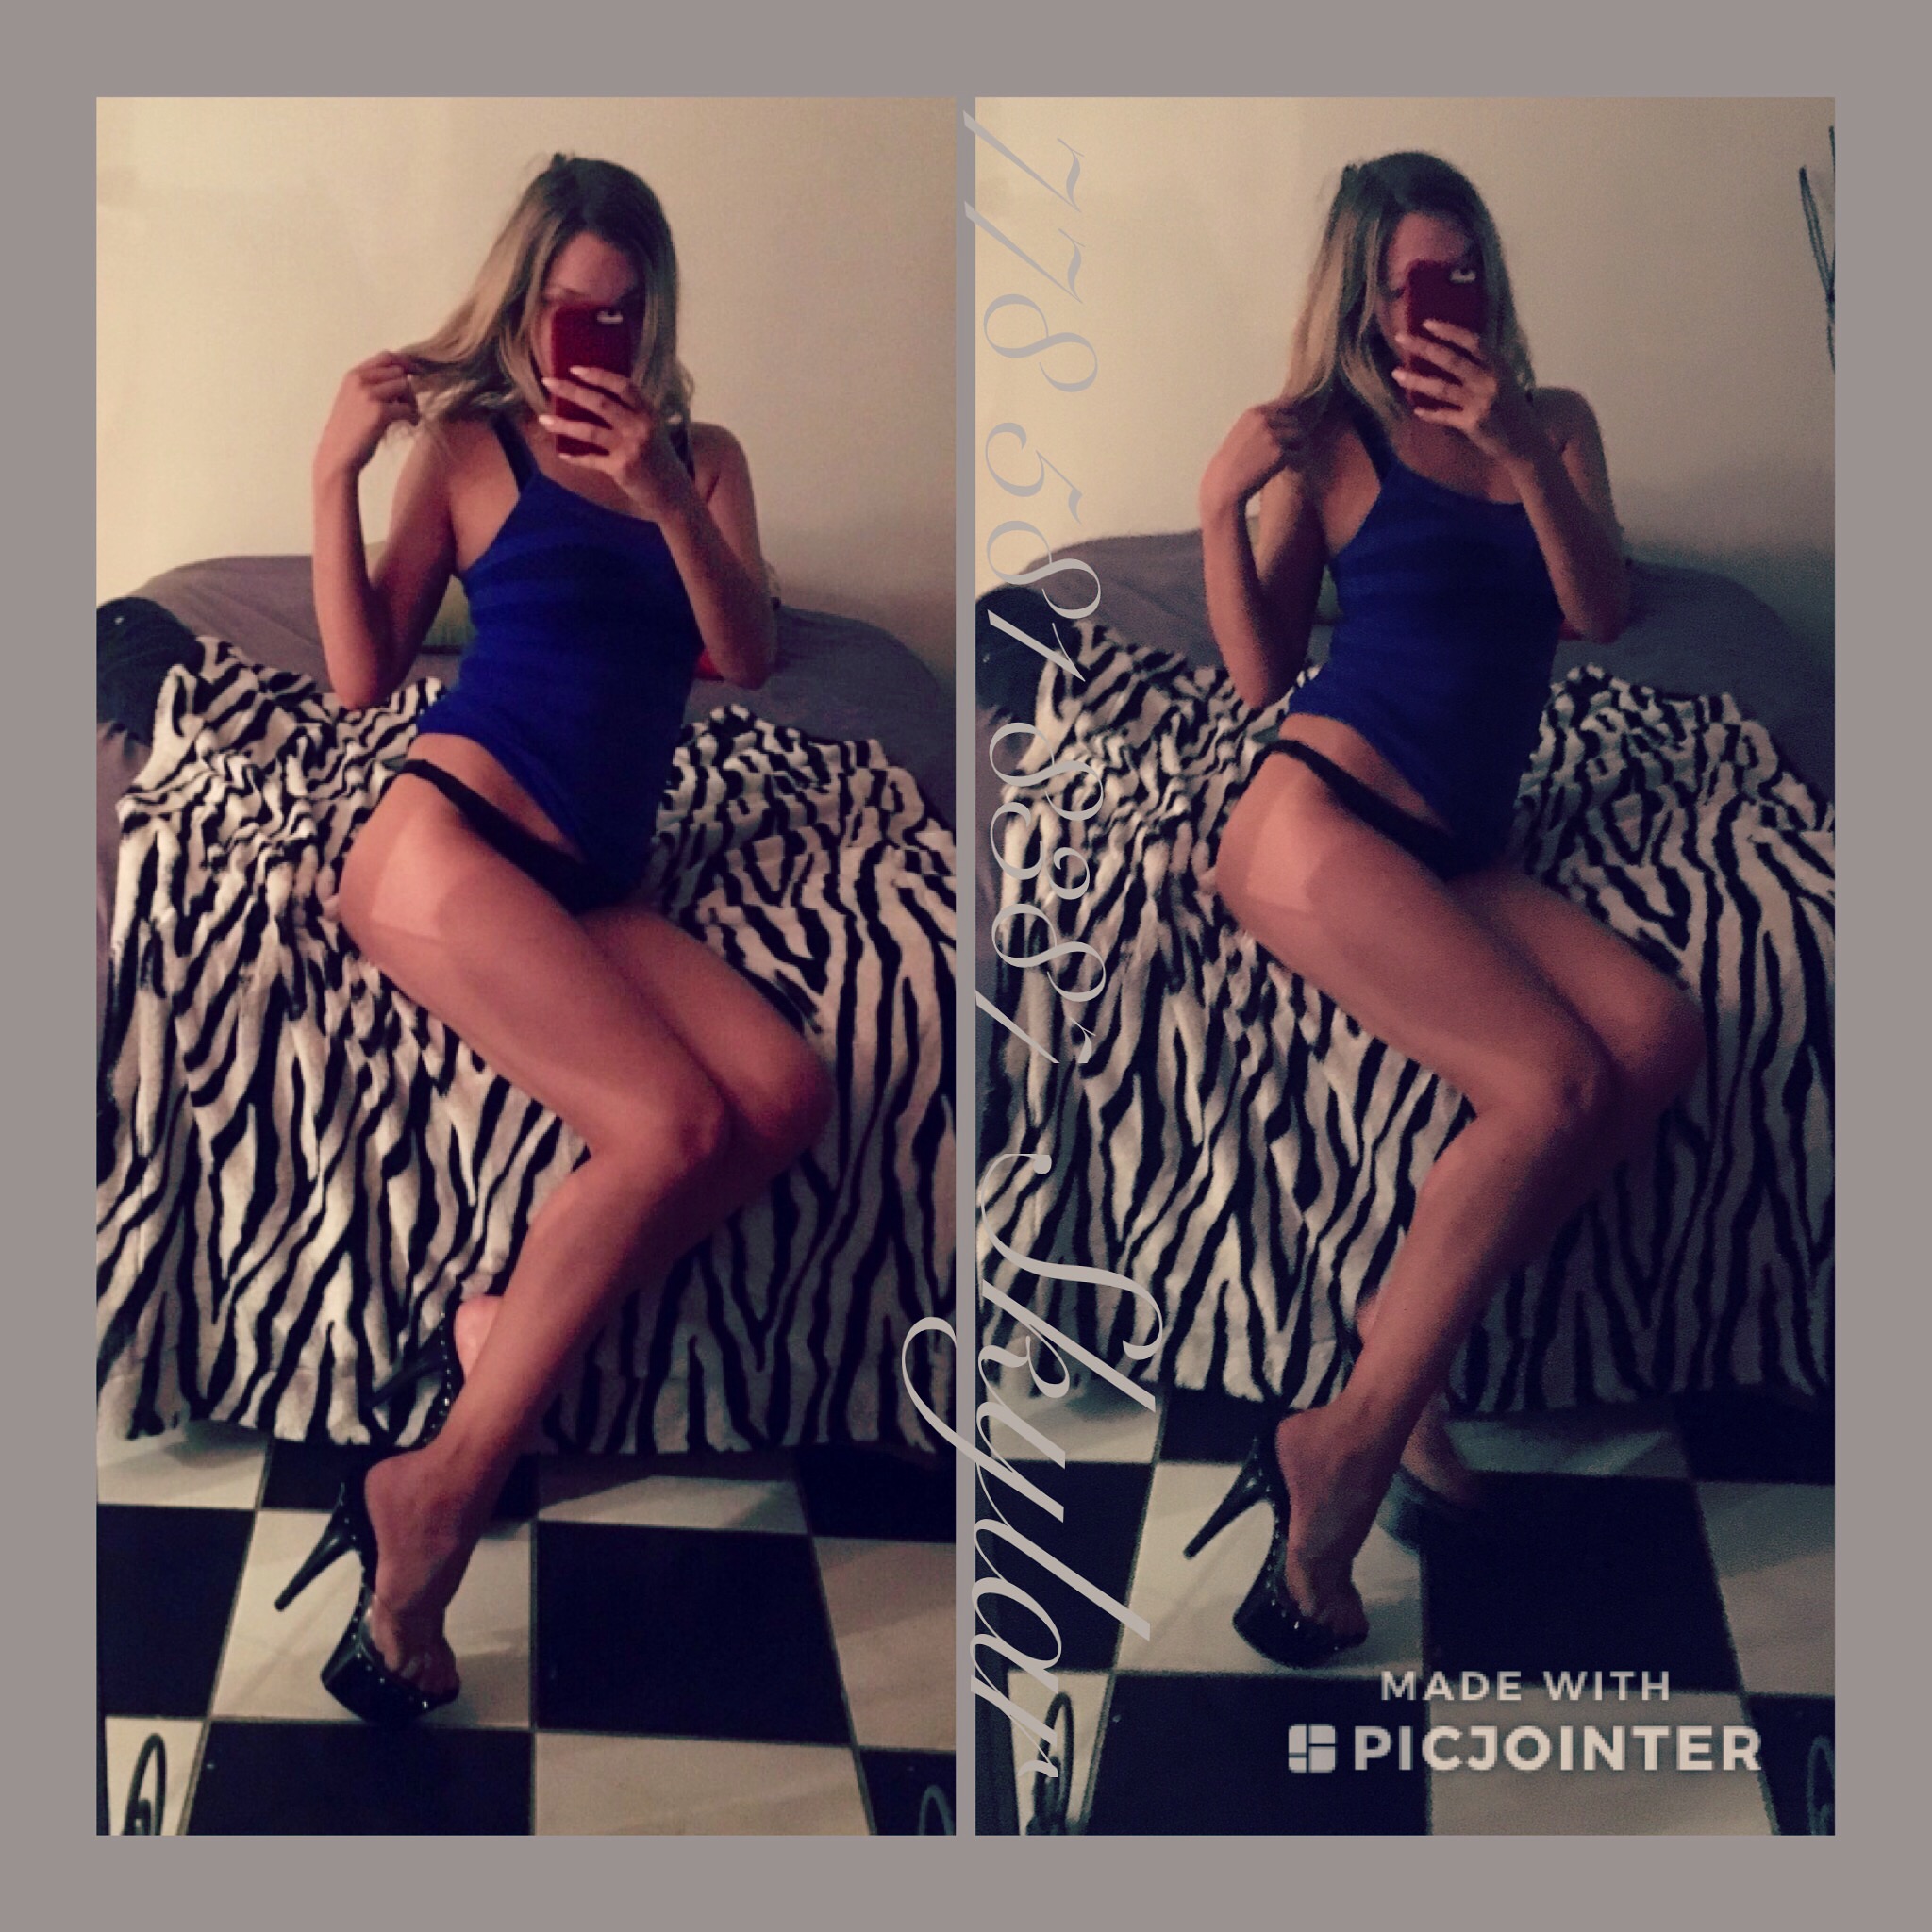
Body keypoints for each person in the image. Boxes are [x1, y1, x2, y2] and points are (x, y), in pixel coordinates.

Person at [276, 155, 835, 1724]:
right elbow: (361, 680)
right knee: (666, 1126)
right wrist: (331, 475)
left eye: (622, 310)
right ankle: (433, 1500)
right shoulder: (467, 449)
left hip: (595, 878)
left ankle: (489, 1329)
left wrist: (665, 498)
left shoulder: (703, 461)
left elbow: (746, 655)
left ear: (655, 317)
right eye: (565, 306)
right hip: (447, 838)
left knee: (784, 1097)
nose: (590, 334)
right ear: (523, 302)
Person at [1188, 152, 1703, 1664]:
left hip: (1464, 843)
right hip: (1321, 815)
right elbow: (1260, 674)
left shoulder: (1556, 423)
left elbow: (1600, 612)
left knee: (1655, 1038)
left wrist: (1520, 452)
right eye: (1414, 277)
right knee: (1550, 1084)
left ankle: (1386, 1372)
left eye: (1461, 269)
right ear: (1365, 291)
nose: (1442, 301)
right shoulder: (1335, 441)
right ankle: (1340, 1459)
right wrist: (1217, 509)